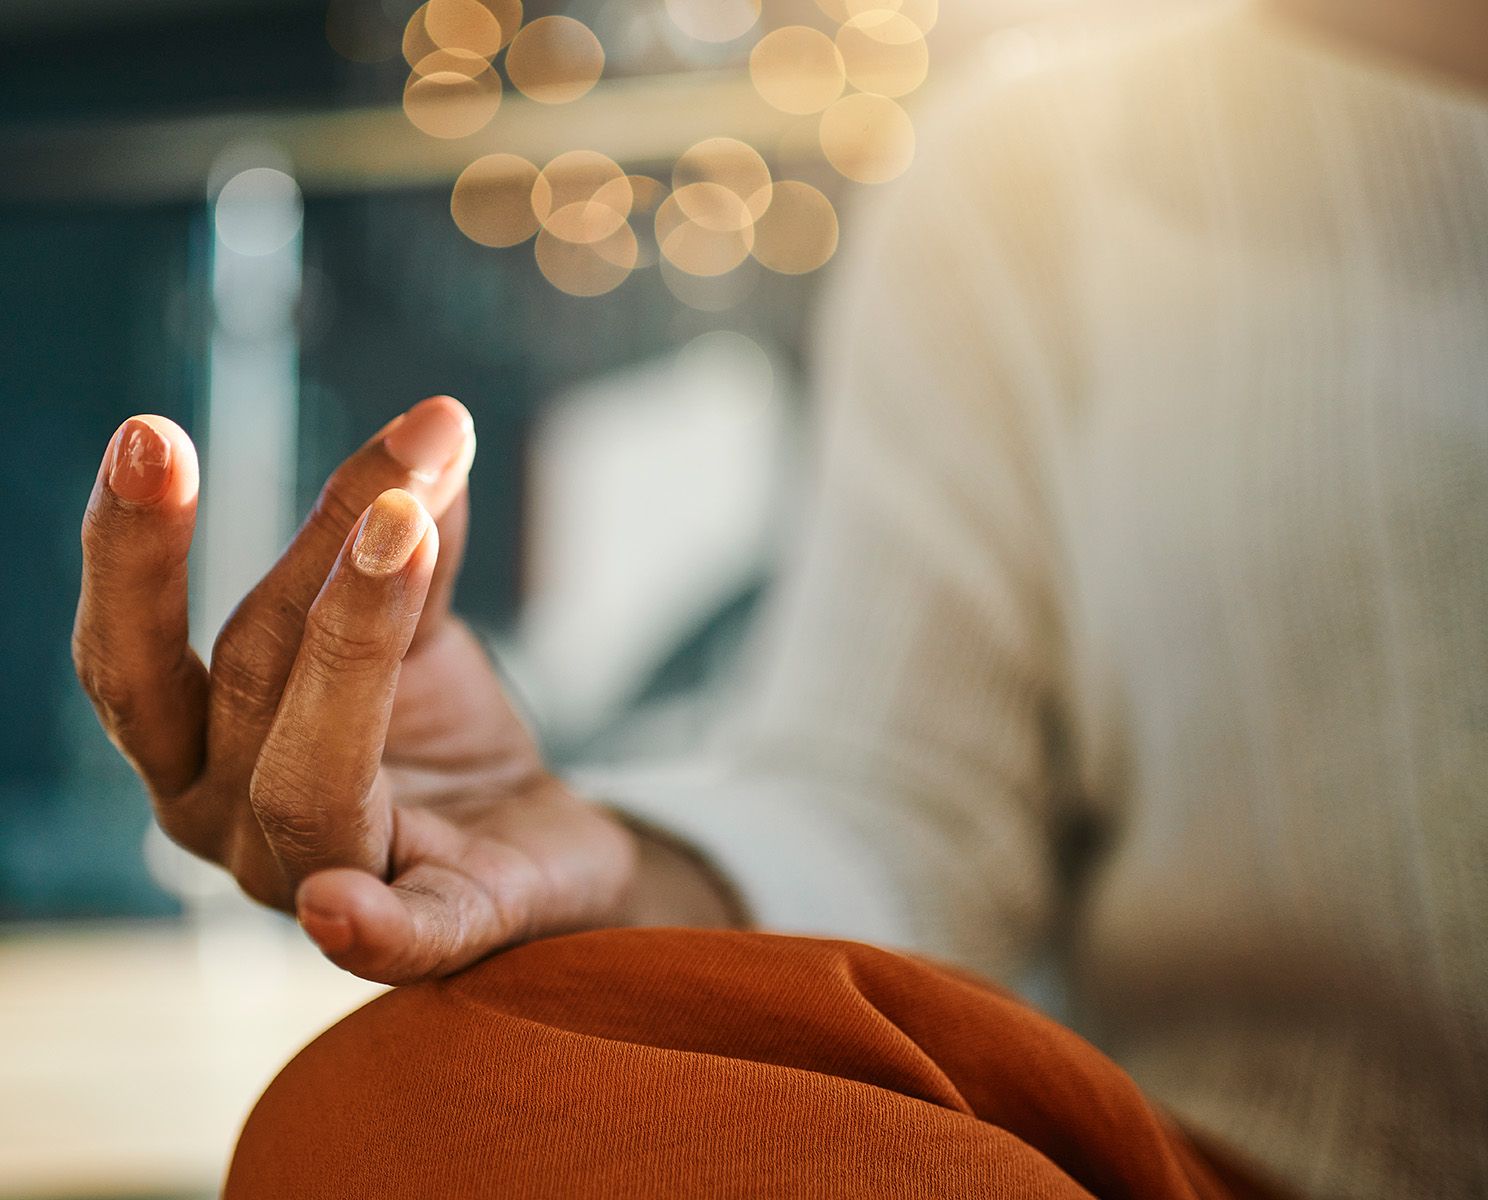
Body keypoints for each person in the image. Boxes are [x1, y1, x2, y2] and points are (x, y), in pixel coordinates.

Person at [72, 0, 1487, 1194]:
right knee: (408, 1124)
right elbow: (908, 806)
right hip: (1230, 1172)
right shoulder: (1033, 167)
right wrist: (603, 856)